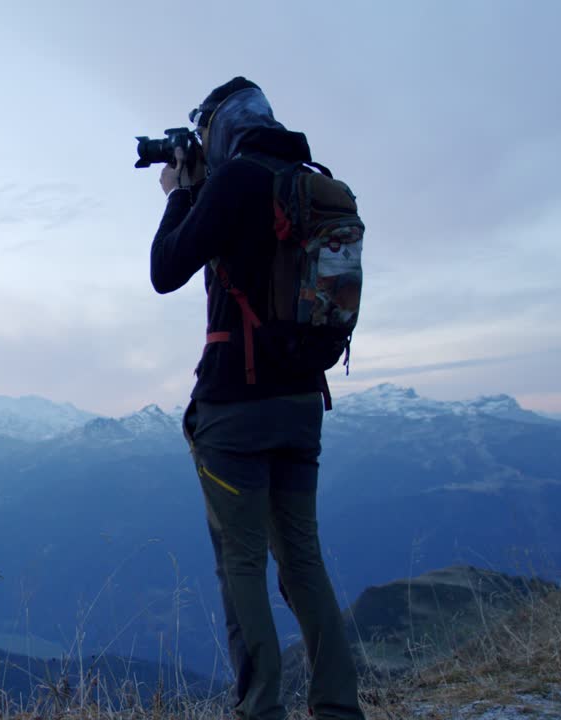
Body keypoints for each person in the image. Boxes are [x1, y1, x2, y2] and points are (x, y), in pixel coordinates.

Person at [149, 77, 366, 720]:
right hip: (303, 403)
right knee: (302, 556)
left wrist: (179, 193)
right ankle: (336, 706)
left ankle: (261, 708)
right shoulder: (306, 183)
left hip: (235, 409)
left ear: (219, 129)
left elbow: (166, 270)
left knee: (240, 564)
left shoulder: (238, 181)